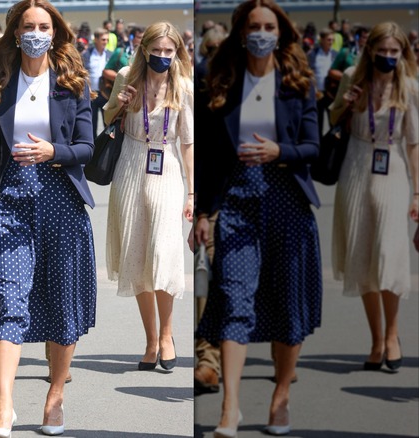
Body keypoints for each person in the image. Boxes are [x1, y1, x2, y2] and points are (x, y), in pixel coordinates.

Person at [0, 0, 97, 435]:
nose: (37, 32)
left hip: (61, 200)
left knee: (62, 303)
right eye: (29, 25)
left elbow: (86, 148)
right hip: (13, 201)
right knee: (8, 298)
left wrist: (52, 152)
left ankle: (54, 398)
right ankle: (5, 407)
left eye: (44, 26)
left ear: (55, 32)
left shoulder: (73, 81)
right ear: (15, 31)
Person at [194, 1, 323, 436]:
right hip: (236, 204)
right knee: (234, 298)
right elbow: (210, 158)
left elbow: (312, 148)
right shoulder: (223, 80)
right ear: (241, 30)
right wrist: (204, 211)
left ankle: (280, 399)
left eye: (269, 26)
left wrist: (278, 152)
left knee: (290, 303)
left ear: (280, 31)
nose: (262, 33)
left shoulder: (298, 82)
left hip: (287, 201)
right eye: (255, 26)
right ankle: (230, 408)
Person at [103, 20, 194, 372]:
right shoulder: (127, 75)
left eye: (168, 51)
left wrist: (192, 191)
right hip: (131, 163)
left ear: (177, 52)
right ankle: (151, 339)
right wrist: (122, 103)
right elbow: (108, 117)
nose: (162, 57)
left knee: (163, 251)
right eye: (156, 50)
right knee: (138, 254)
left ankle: (168, 335)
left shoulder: (182, 84)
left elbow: (187, 141)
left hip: (167, 165)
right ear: (144, 50)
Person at [329, 21, 418, 373]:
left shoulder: (409, 86)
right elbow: (334, 118)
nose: (387, 57)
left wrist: (417, 193)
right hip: (356, 164)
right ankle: (376, 339)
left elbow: (413, 142)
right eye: (382, 51)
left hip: (392, 166)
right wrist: (347, 103)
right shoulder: (353, 76)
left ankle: (393, 334)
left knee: (387, 252)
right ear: (371, 50)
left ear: (402, 53)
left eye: (394, 52)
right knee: (364, 254)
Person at [308, 28, 338, 138]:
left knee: (333, 121)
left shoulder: (335, 54)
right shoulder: (313, 54)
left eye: (332, 40)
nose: (331, 42)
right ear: (322, 40)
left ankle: (332, 146)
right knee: (318, 122)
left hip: (331, 93)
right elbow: (309, 72)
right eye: (329, 40)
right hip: (318, 93)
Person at [82, 27, 111, 137]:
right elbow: (82, 73)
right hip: (91, 94)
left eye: (107, 40)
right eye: (103, 39)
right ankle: (93, 151)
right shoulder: (87, 54)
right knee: (91, 125)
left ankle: (105, 149)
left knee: (107, 125)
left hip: (106, 94)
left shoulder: (110, 55)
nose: (106, 42)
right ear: (96, 40)